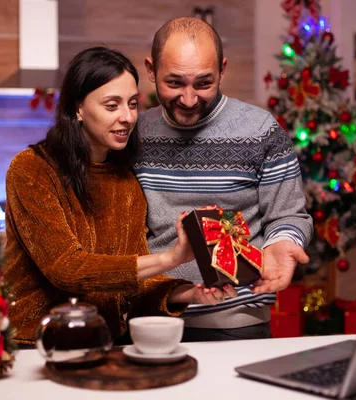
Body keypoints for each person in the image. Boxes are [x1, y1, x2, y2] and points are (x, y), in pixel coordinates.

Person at [4, 47, 236, 347]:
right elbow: (68, 270)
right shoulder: (32, 169)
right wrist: (170, 258)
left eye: (132, 104)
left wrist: (190, 293)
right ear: (78, 108)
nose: (127, 117)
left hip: (104, 344)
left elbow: (132, 283)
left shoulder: (125, 182)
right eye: (112, 105)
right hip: (35, 344)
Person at [133, 18, 313, 341]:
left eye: (204, 83)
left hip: (238, 325)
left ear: (223, 70)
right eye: (174, 83)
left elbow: (288, 214)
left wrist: (283, 241)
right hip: (152, 322)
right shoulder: (133, 136)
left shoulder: (261, 131)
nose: (189, 99)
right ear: (150, 70)